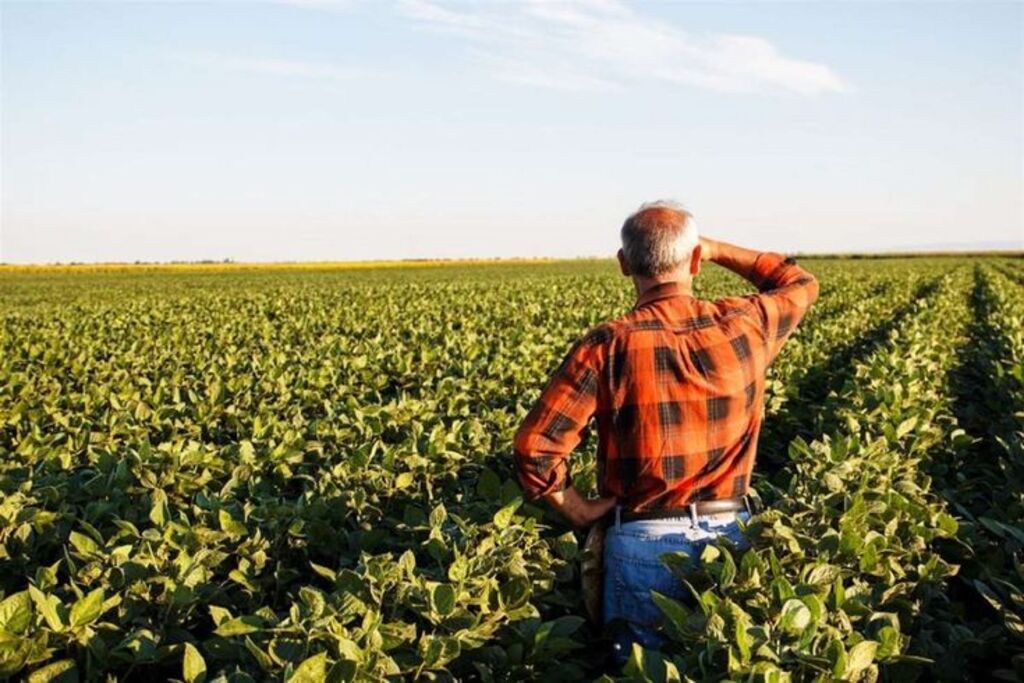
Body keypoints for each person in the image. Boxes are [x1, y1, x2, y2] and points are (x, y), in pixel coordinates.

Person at [512, 200, 819, 663]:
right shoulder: (746, 324)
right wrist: (715, 248)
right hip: (730, 538)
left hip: (640, 541)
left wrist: (575, 509)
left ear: (623, 265)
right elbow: (799, 282)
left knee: (643, 672)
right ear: (695, 260)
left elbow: (536, 449)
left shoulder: (607, 344)